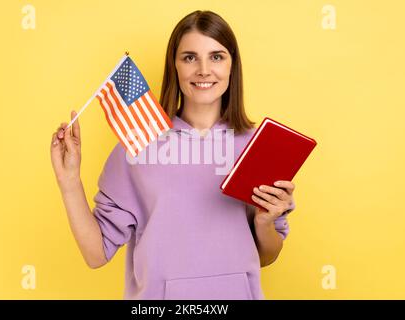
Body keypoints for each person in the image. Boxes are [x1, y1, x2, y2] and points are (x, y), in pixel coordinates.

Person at [50, 10, 296, 300]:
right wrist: (69, 182)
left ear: (232, 65)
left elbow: (267, 256)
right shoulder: (139, 143)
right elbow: (95, 254)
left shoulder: (259, 146)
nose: (204, 69)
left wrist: (265, 222)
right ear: (174, 66)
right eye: (189, 57)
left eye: (216, 56)